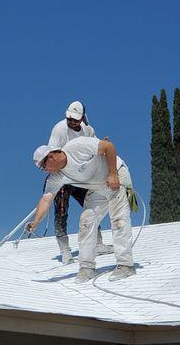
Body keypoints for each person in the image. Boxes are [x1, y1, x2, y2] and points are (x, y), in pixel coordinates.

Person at [28, 137, 136, 283]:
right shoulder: (56, 177)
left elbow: (109, 147)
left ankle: (126, 265)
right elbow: (46, 199)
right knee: (86, 222)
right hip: (97, 188)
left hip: (116, 174)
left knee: (118, 219)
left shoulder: (77, 146)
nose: (44, 170)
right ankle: (86, 268)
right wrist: (35, 223)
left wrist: (113, 174)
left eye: (43, 166)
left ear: (52, 156)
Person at [47, 101, 112, 265]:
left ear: (82, 118)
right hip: (64, 178)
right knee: (61, 211)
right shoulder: (59, 129)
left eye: (75, 119)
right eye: (69, 118)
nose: (72, 122)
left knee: (92, 206)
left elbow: (95, 147)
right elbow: (52, 156)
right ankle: (65, 251)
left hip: (81, 176)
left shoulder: (88, 130)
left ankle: (97, 244)